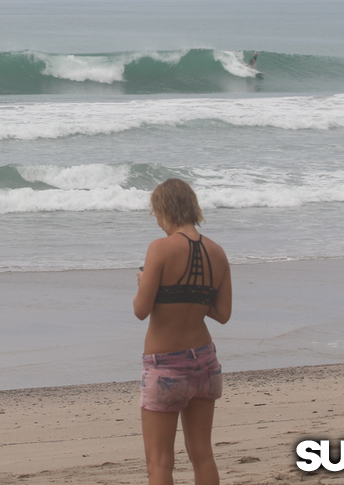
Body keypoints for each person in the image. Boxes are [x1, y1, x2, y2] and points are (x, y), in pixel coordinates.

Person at [134, 179, 232, 485]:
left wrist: (142, 284)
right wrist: (192, 298)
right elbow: (222, 314)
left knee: (160, 463)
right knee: (202, 454)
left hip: (166, 364)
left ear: (165, 210)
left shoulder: (160, 249)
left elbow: (141, 309)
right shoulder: (217, 252)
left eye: (156, 213)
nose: (157, 220)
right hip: (205, 360)